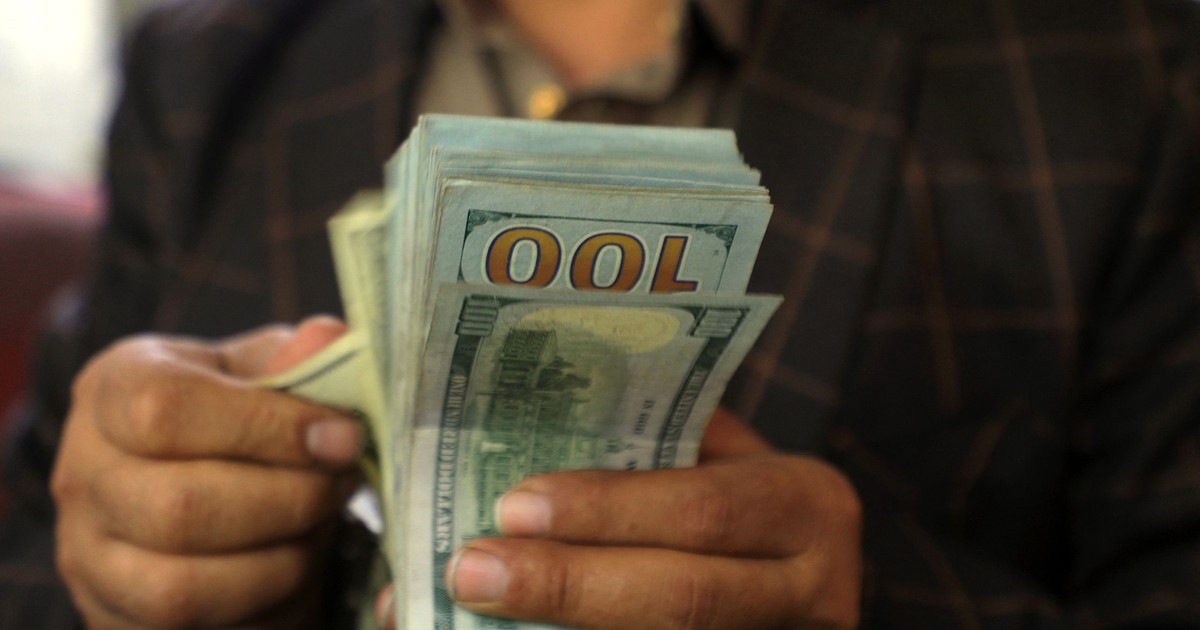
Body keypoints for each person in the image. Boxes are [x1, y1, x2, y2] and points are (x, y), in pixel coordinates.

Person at [4, 0, 1199, 627]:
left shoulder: (1125, 74)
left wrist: (875, 605)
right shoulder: (203, 71)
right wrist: (118, 576)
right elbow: (26, 565)